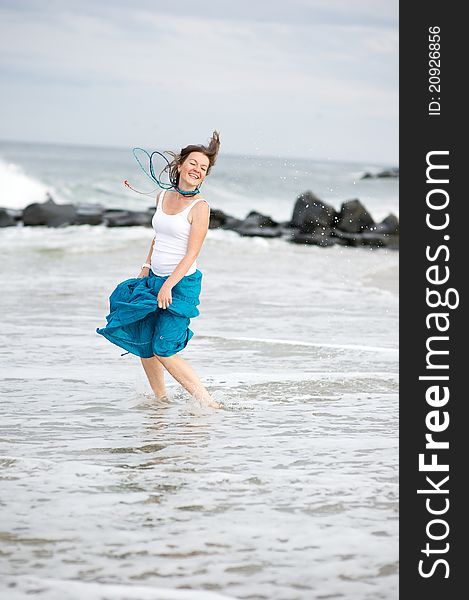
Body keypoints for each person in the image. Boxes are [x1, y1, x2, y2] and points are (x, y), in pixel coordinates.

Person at [96, 132, 220, 408]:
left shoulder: (200, 207)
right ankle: (161, 402)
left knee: (164, 348)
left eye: (203, 168)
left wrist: (167, 286)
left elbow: (191, 254)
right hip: (153, 279)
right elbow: (158, 237)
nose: (197, 170)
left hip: (181, 285)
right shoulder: (163, 195)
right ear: (180, 166)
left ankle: (208, 404)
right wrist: (146, 267)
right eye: (193, 163)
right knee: (144, 342)